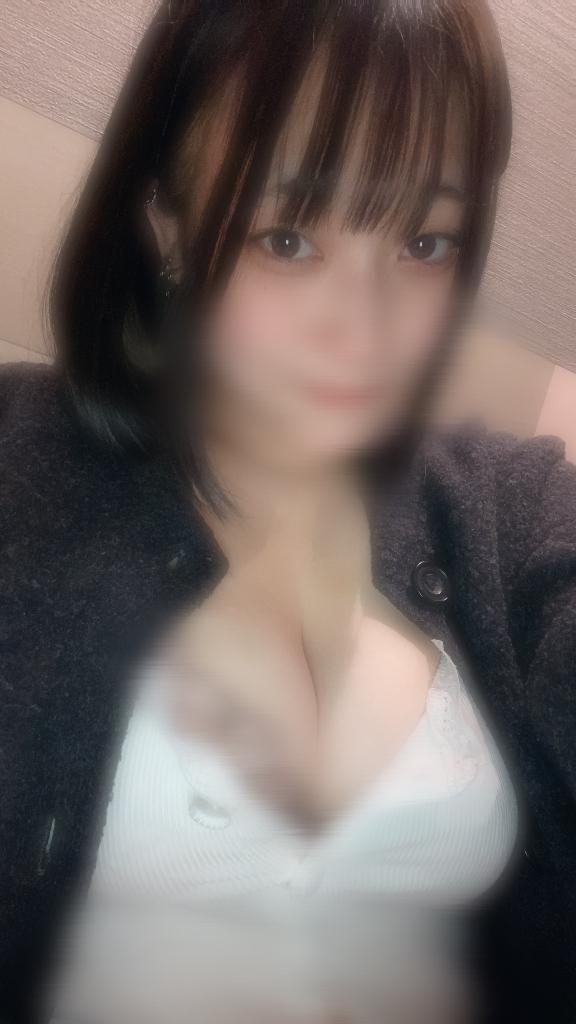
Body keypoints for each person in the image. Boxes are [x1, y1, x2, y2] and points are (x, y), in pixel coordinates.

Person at [1, 0, 575, 1021]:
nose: (365, 333)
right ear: (168, 222)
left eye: (425, 242)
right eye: (289, 238)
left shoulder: (503, 510)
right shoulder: (16, 470)